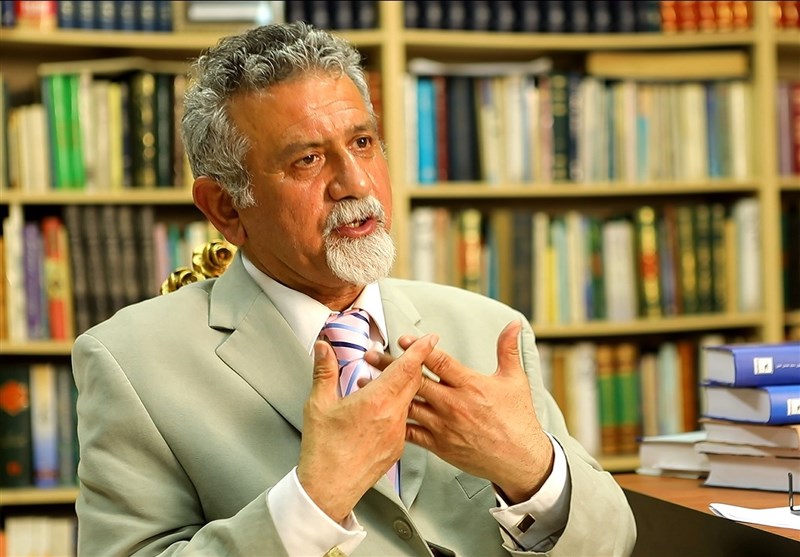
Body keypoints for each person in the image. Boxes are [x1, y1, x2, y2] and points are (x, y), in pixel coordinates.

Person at [72, 21, 636, 556]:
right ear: (226, 208)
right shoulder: (130, 363)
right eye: (308, 159)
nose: (357, 182)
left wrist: (530, 469)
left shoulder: (491, 329)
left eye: (363, 142)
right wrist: (313, 498)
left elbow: (615, 542)